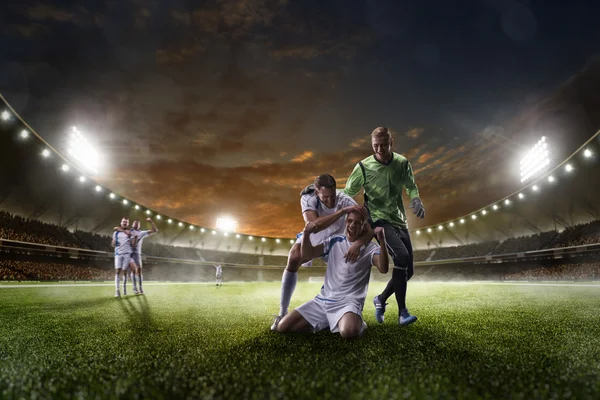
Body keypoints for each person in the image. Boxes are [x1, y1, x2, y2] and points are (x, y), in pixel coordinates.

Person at [343, 127, 426, 326]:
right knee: (402, 257)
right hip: (378, 220)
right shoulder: (363, 167)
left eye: (383, 144)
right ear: (371, 145)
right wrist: (322, 193)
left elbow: (411, 186)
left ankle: (380, 299)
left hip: (399, 219)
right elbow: (347, 193)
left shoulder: (402, 163)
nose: (379, 149)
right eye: (375, 146)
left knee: (409, 271)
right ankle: (402, 313)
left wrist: (416, 198)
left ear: (392, 142)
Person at [271, 174, 373, 331]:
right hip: (317, 238)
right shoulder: (307, 198)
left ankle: (351, 315)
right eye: (326, 197)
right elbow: (314, 225)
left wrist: (358, 244)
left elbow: (368, 229)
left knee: (348, 272)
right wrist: (341, 212)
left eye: (333, 196)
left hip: (339, 241)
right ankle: (282, 312)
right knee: (294, 257)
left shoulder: (345, 199)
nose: (331, 201)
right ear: (316, 192)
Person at [276, 207, 388, 339]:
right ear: (346, 222)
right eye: (350, 221)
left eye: (357, 223)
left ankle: (359, 323)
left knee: (349, 333)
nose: (352, 225)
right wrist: (306, 234)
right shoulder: (335, 241)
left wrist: (382, 241)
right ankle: (327, 321)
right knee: (283, 326)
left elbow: (383, 268)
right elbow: (307, 254)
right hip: (323, 301)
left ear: (364, 227)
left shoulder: (370, 248)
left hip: (348, 303)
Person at [129, 217, 158, 294]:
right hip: (130, 254)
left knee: (139, 271)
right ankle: (135, 288)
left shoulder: (141, 233)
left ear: (139, 226)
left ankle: (141, 288)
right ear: (132, 224)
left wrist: (151, 221)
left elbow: (155, 230)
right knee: (134, 270)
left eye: (138, 223)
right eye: (135, 223)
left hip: (137, 254)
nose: (136, 224)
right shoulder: (128, 232)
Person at [111, 217, 132, 298]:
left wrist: (120, 229)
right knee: (117, 271)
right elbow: (113, 244)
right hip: (118, 254)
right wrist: (113, 243)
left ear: (128, 224)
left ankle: (124, 287)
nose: (124, 223)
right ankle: (117, 290)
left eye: (126, 222)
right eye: (123, 221)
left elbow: (131, 238)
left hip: (127, 254)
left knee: (124, 272)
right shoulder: (115, 233)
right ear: (121, 222)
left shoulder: (129, 232)